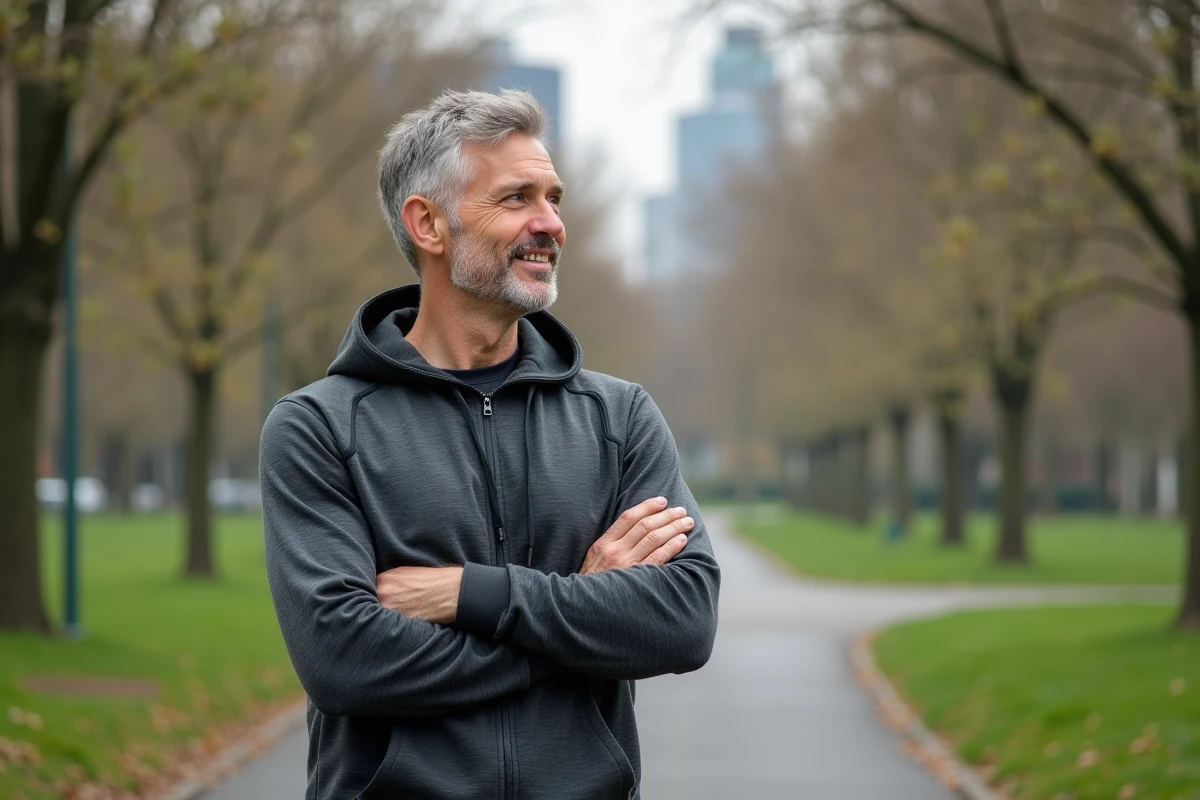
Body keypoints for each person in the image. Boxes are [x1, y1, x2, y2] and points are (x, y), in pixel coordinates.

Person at [259, 89, 720, 800]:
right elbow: (343, 661)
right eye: (516, 199)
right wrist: (581, 611)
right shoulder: (319, 427)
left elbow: (683, 621)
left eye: (554, 198)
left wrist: (474, 594)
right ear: (429, 225)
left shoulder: (620, 416)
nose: (552, 225)